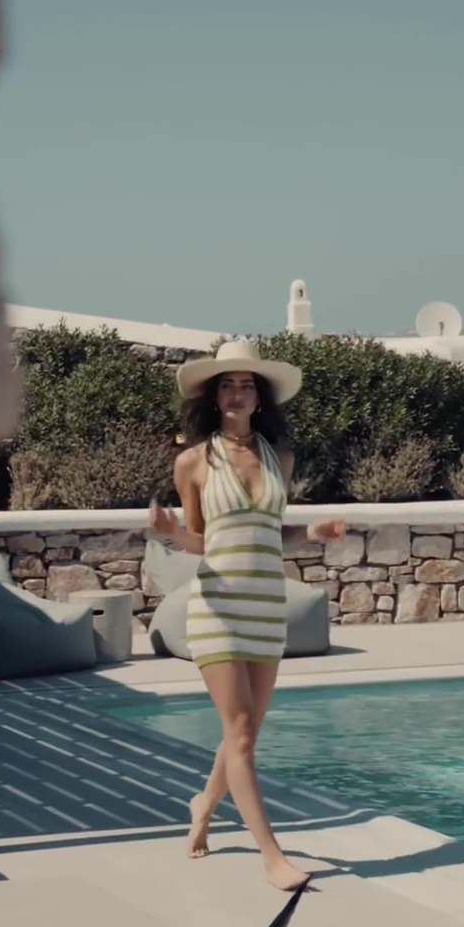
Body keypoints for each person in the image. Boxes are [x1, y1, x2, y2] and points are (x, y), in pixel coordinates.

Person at [149, 339, 346, 891]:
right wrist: (172, 533)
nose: (237, 393)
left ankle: (203, 806)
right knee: (238, 733)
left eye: (246, 384)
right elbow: (202, 539)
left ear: (260, 398)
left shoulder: (279, 458)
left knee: (246, 734)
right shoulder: (193, 461)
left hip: (265, 607)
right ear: (214, 397)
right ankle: (271, 855)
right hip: (217, 606)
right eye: (227, 385)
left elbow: (270, 532)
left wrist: (314, 532)